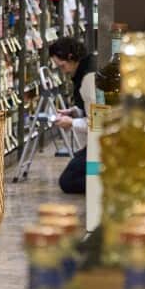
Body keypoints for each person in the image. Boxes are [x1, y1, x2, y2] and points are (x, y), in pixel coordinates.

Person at [48, 37, 95, 194]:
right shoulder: (87, 68)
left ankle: (106, 178)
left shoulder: (88, 79)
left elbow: (99, 124)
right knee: (73, 172)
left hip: (101, 145)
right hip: (96, 143)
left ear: (70, 57)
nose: (64, 71)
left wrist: (72, 123)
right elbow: (91, 109)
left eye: (62, 66)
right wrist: (74, 112)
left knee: (69, 181)